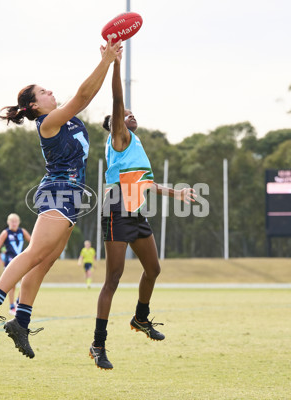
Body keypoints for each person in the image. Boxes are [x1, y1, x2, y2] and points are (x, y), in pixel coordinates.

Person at [0, 38, 123, 359]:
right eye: (44, 92)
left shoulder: (68, 118)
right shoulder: (48, 122)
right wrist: (106, 61)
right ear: (35, 106)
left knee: (46, 260)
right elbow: (83, 95)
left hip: (72, 199)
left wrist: (112, 64)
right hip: (58, 193)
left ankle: (21, 321)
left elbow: (87, 96)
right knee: (36, 251)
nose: (51, 92)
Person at [89, 52, 197, 370]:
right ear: (114, 124)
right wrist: (116, 64)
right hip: (115, 209)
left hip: (134, 211)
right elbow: (117, 98)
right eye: (124, 114)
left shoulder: (135, 144)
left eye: (132, 114)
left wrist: (175, 192)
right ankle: (98, 345)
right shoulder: (119, 138)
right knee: (114, 278)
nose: (129, 115)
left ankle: (140, 318)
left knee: (153, 270)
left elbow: (145, 184)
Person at [0, 213, 32, 315]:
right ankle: (11, 307)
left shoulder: (22, 231)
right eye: (12, 221)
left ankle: (18, 302)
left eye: (16, 221)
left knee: (25, 281)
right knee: (12, 285)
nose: (14, 223)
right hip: (10, 262)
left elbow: (32, 242)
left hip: (22, 261)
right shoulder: (5, 233)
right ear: (8, 222)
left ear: (19, 222)